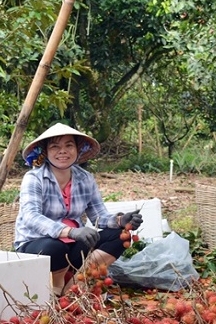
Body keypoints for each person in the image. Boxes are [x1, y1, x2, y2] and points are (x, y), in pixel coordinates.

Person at [13, 123, 143, 296]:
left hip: (72, 246)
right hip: (37, 245)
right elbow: (31, 217)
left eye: (69, 145)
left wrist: (120, 220)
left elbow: (98, 215)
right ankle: (55, 290)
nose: (63, 151)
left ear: (77, 149)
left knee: (119, 235)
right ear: (45, 152)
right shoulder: (34, 178)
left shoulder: (85, 178)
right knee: (56, 248)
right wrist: (69, 232)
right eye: (55, 147)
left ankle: (74, 286)